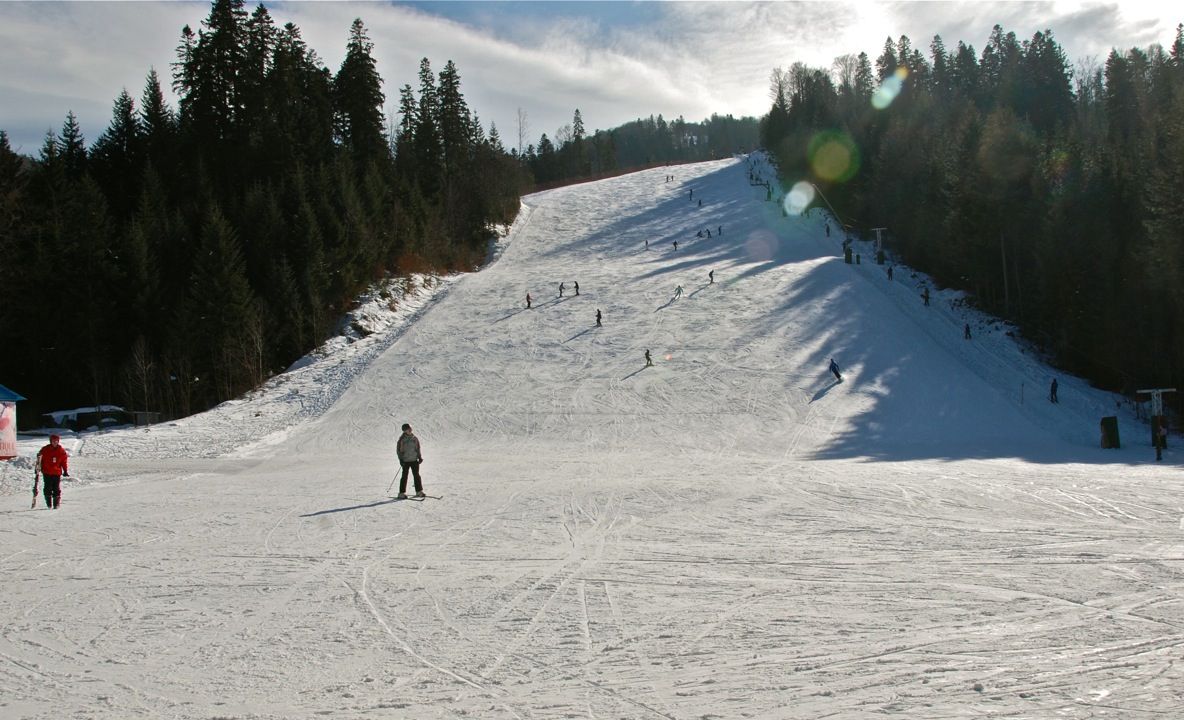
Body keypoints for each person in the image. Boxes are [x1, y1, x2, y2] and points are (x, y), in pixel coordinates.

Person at [36, 434, 69, 509]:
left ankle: (56, 503)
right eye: (53, 441)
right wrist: (38, 467)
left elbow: (64, 461)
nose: (55, 443)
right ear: (50, 441)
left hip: (56, 472)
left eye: (56, 441)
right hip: (47, 472)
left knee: (56, 488)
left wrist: (65, 470)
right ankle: (49, 503)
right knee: (48, 487)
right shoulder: (45, 449)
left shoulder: (61, 451)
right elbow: (39, 460)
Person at [396, 423, 425, 499]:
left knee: (417, 476)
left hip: (414, 460)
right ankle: (401, 493)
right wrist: (401, 460)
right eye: (409, 429)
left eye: (411, 428)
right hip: (405, 461)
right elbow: (398, 451)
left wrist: (420, 457)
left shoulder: (414, 438)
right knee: (404, 476)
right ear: (405, 430)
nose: (410, 430)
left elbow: (418, 448)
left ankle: (419, 491)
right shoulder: (401, 440)